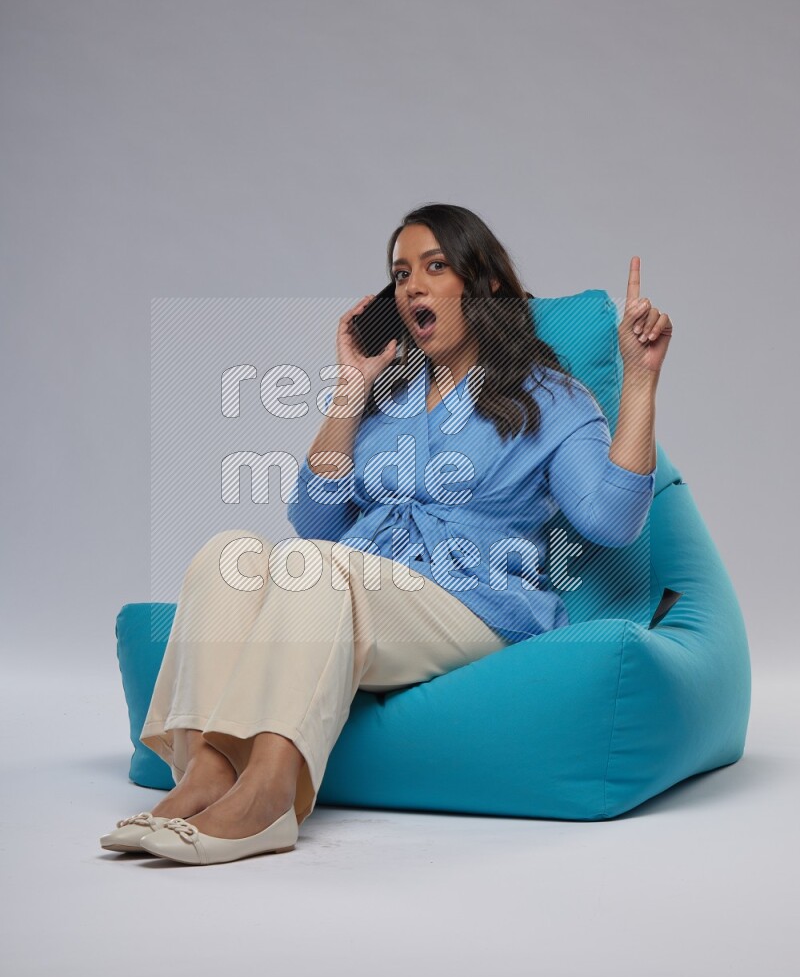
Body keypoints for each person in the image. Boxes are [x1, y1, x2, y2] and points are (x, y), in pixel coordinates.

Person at [100, 203, 672, 865]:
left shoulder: (552, 398)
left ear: (483, 286)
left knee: (314, 568)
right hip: (360, 595)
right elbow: (314, 518)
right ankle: (202, 774)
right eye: (401, 274)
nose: (412, 287)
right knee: (228, 553)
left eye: (434, 267)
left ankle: (267, 798)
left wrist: (639, 379)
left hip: (474, 605)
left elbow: (611, 517)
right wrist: (350, 387)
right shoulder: (388, 399)